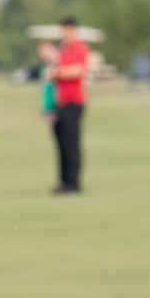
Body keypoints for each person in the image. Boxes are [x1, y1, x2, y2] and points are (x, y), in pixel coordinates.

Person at [50, 18, 89, 194]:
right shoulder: (63, 50)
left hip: (74, 102)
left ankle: (74, 183)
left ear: (73, 30)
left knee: (72, 143)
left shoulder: (80, 48)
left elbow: (77, 71)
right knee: (61, 144)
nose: (65, 34)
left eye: (67, 30)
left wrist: (59, 72)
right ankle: (64, 181)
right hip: (61, 102)